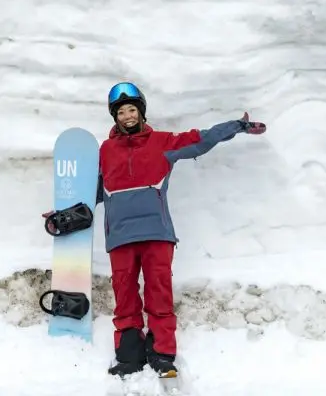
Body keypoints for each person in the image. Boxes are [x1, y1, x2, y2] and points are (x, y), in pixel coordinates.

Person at [93, 81, 266, 378]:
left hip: (157, 234)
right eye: (121, 112)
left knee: (159, 294)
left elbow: (200, 139)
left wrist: (236, 126)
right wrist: (66, 212)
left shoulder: (162, 142)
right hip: (120, 236)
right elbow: (92, 191)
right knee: (125, 296)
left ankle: (162, 354)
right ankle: (128, 354)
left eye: (132, 109)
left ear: (141, 112)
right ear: (115, 117)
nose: (128, 116)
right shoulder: (105, 150)